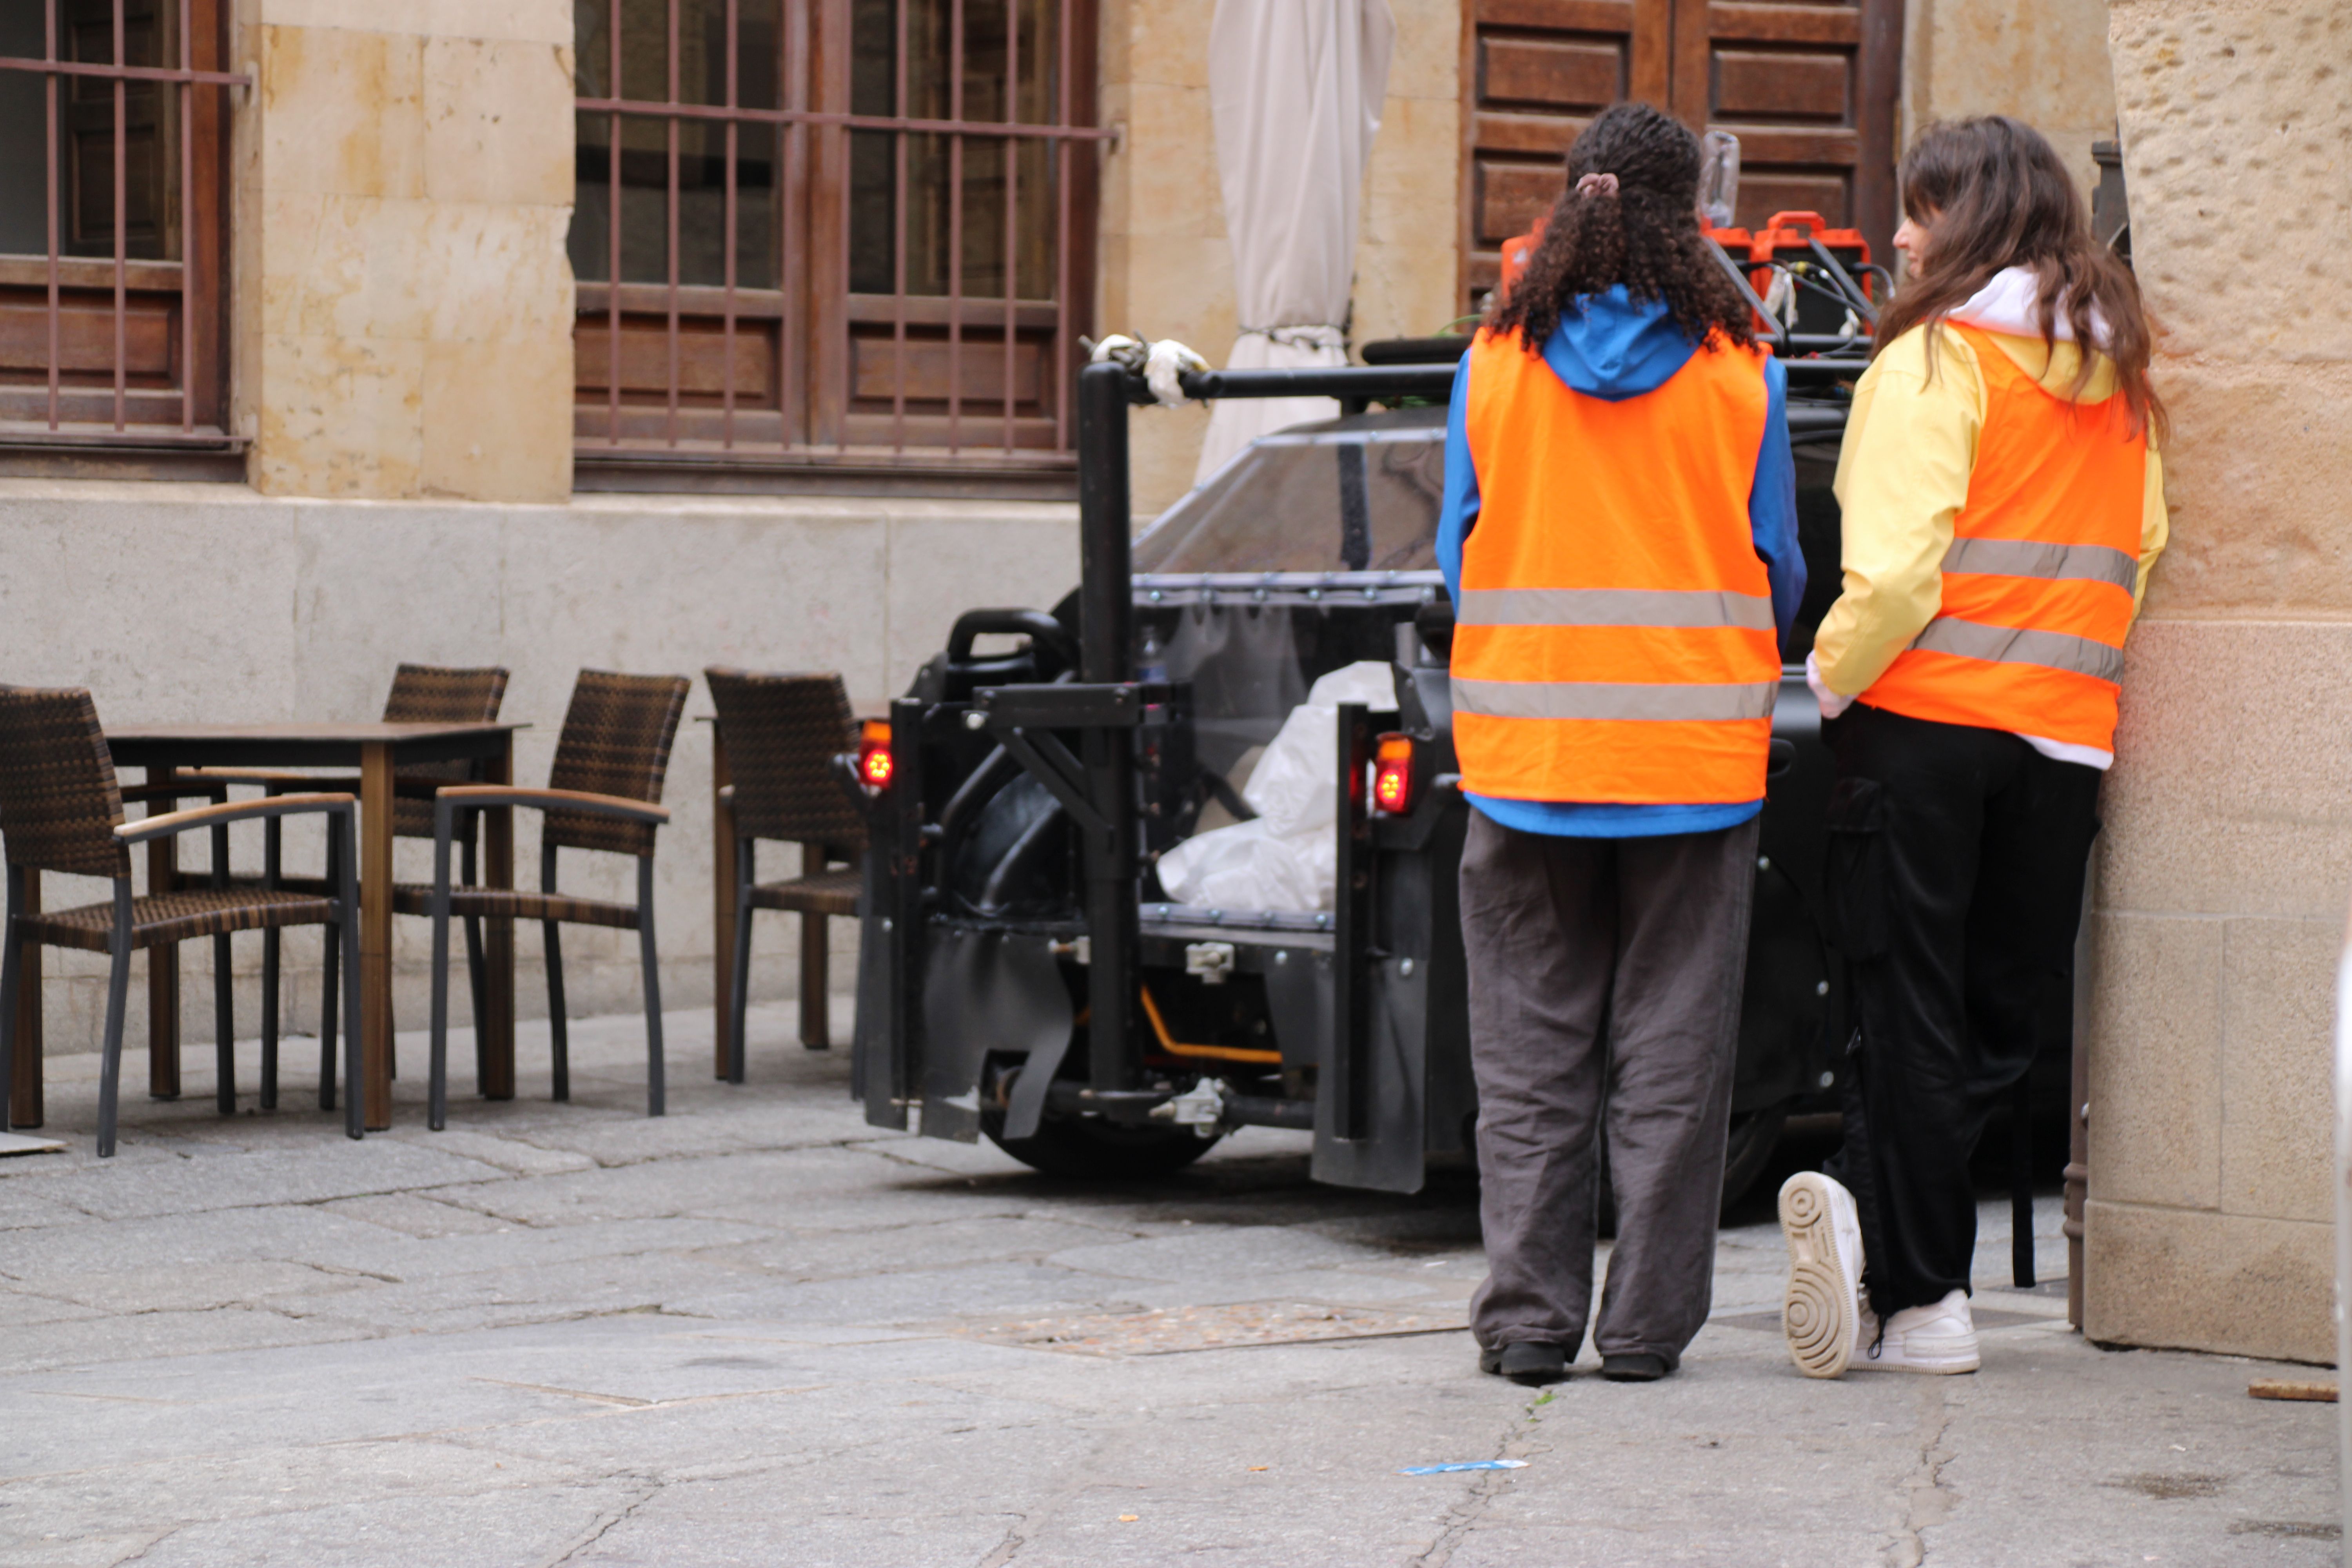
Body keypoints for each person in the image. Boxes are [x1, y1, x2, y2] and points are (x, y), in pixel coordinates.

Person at [1778, 116, 2169, 1379]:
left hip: (1923, 726)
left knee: (1906, 1006)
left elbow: (1893, 567)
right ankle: (1892, 1252)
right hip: (2064, 742)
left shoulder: (1933, 363)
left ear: (1976, 224)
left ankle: (1914, 1284)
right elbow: (2143, 550)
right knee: (2001, 1016)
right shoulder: (2120, 379)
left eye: (1922, 212)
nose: (1898, 235)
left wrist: (1831, 676)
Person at [1438, 101, 1804, 1387]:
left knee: (1528, 1066)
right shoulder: (1739, 361)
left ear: (1569, 199)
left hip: (1527, 767)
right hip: (1693, 772)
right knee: (1675, 1061)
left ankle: (1529, 1326)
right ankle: (1645, 1331)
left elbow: (1455, 555)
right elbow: (1782, 567)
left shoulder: (1492, 358)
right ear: (1688, 215)